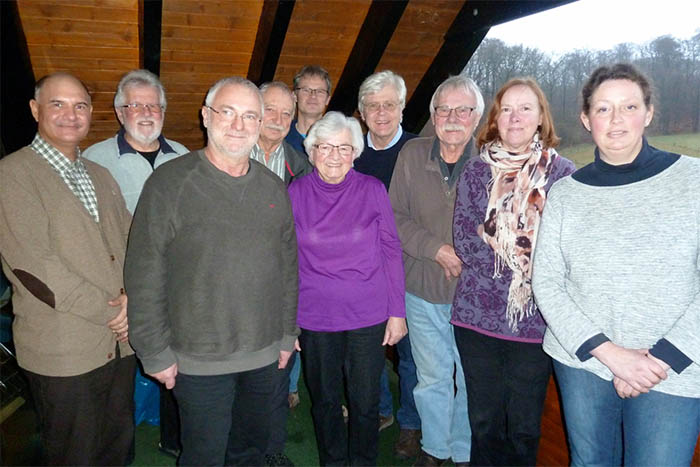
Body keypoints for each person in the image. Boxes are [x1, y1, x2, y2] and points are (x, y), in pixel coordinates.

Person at [125, 76, 299, 466]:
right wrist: (154, 351)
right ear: (206, 116)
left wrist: (288, 334)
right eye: (228, 113)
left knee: (250, 453)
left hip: (265, 356)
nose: (238, 126)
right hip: (197, 360)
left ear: (259, 125)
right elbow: (144, 273)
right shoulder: (169, 184)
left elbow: (289, 268)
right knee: (203, 457)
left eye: (249, 116)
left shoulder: (274, 189)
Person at [532, 63, 700, 466]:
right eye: (604, 109)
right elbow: (548, 282)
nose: (617, 119)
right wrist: (611, 355)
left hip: (674, 368)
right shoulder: (566, 194)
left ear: (649, 112)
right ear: (587, 120)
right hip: (584, 363)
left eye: (629, 106)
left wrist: (656, 361)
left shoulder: (693, 180)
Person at [0, 72, 134, 465]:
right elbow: (35, 268)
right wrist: (116, 312)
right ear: (34, 109)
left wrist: (134, 299)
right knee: (75, 453)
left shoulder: (99, 175)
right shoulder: (12, 175)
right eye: (57, 104)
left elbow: (130, 244)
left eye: (80, 106)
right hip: (64, 351)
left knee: (116, 447)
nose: (70, 114)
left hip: (118, 346)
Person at [451, 77, 575, 466]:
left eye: (525, 108)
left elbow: (562, 250)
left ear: (541, 118)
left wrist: (492, 238)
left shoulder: (563, 176)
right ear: (496, 118)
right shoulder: (475, 171)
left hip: (535, 321)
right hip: (476, 319)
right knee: (484, 421)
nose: (515, 117)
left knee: (523, 426)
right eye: (506, 109)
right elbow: (464, 239)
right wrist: (517, 253)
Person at [288, 111, 407, 465]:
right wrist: (288, 320)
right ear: (312, 152)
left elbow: (391, 250)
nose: (335, 156)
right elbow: (285, 259)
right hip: (315, 317)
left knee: (365, 402)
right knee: (324, 402)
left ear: (355, 152)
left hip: (366, 316)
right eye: (326, 147)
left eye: (344, 148)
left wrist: (397, 312)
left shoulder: (372, 189)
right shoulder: (295, 192)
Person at [83, 68, 188, 459]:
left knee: (179, 368)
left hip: (175, 286)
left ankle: (174, 441)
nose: (146, 112)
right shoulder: (95, 160)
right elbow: (91, 235)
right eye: (135, 105)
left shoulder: (184, 156)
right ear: (118, 111)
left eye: (154, 105)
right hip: (120, 290)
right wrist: (122, 291)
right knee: (119, 380)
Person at [389, 74, 481, 467]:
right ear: (432, 114)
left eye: (464, 109)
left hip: (474, 299)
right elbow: (395, 216)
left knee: (469, 381)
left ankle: (461, 454)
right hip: (422, 290)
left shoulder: (492, 161)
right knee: (432, 380)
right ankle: (434, 449)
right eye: (444, 109)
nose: (453, 117)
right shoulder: (412, 153)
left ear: (477, 116)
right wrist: (437, 249)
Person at [354, 70, 421, 458]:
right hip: (361, 272)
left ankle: (410, 423)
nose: (381, 113)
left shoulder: (418, 149)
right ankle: (380, 409)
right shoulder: (349, 151)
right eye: (373, 106)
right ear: (362, 112)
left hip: (408, 270)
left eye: (389, 105)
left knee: (411, 353)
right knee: (368, 350)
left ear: (402, 107)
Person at [253, 80, 312, 467]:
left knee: (277, 373)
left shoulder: (302, 164)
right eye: (269, 110)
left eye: (285, 114)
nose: (277, 120)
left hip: (282, 287)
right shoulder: (229, 154)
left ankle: (271, 451)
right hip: (235, 287)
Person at [285, 65, 331, 154]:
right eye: (306, 90)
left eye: (320, 91)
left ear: (328, 99)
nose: (313, 96)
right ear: (295, 96)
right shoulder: (282, 135)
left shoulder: (337, 138)